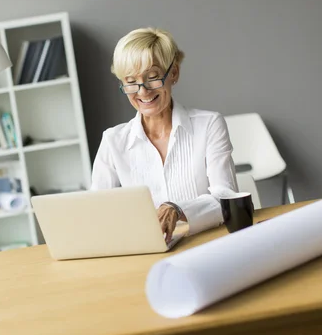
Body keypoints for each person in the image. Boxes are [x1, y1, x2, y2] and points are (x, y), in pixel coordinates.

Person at [91, 27, 238, 243]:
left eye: (152, 77)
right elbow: (97, 211)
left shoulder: (209, 125)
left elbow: (226, 197)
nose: (143, 92)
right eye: (131, 82)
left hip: (207, 244)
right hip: (145, 251)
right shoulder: (113, 141)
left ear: (174, 73)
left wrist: (178, 209)